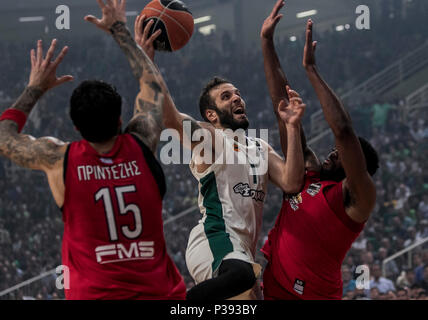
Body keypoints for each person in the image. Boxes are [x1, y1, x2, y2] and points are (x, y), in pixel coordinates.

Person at [0, 0, 186, 299]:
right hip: (159, 294)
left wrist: (34, 87)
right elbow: (152, 86)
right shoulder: (142, 141)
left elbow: (4, 136)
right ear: (122, 118)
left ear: (75, 127)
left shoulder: (58, 159)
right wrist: (119, 29)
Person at [134, 9, 307, 300]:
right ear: (211, 114)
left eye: (237, 93)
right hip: (214, 240)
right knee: (242, 278)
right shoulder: (211, 138)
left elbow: (292, 182)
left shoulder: (260, 147)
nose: (237, 97)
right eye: (226, 96)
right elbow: (170, 117)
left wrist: (292, 126)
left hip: (242, 250)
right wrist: (146, 60)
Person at [259, 1, 379, 300]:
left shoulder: (357, 200)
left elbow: (344, 131)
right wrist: (266, 43)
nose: (333, 153)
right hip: (272, 289)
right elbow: (282, 108)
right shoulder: (306, 173)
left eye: (341, 154)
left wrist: (311, 70)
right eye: (335, 151)